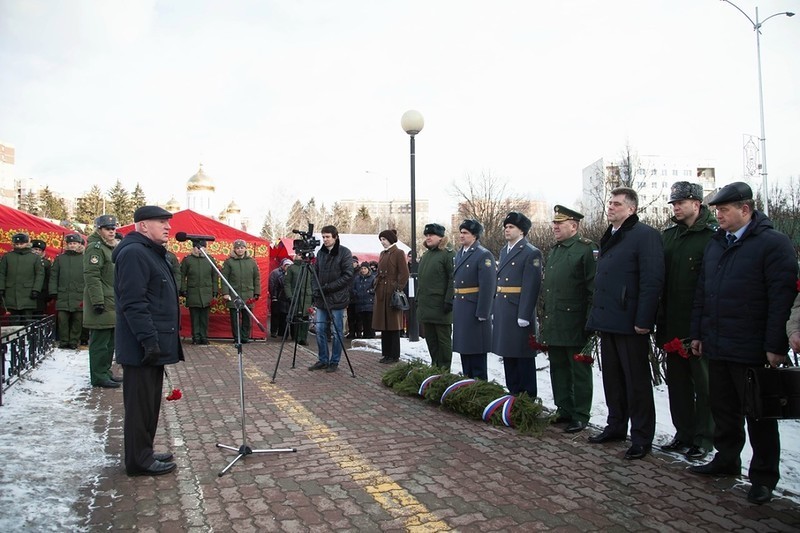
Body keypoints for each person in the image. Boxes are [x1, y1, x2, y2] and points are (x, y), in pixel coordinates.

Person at [689, 182, 797, 505]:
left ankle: (763, 477)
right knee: (723, 408)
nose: (718, 216)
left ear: (745, 210)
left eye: (724, 210)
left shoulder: (772, 244)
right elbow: (703, 294)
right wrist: (698, 333)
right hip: (719, 343)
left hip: (752, 348)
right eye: (717, 211)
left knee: (759, 416)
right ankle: (727, 458)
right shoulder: (716, 244)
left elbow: (782, 299)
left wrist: (775, 345)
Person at [585, 187, 664, 461]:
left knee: (636, 382)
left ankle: (642, 437)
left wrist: (644, 320)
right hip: (609, 320)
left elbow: (651, 281)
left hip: (631, 322)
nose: (610, 207)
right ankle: (616, 426)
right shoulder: (611, 236)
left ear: (631, 209)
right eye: (610, 203)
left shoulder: (645, 236)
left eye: (617, 204)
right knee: (613, 379)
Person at [113, 205, 183, 476]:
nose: (167, 227)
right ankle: (138, 461)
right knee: (140, 406)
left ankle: (144, 451)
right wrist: (148, 340)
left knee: (150, 404)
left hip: (151, 345)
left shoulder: (149, 252)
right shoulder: (134, 254)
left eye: (168, 222)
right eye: (161, 222)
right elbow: (134, 303)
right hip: (142, 346)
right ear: (142, 226)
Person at [655, 182, 716, 460]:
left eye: (681, 202)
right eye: (673, 203)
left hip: (698, 326)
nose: (676, 207)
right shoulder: (668, 236)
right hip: (672, 324)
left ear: (697, 203)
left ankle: (704, 438)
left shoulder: (712, 236)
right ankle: (684, 433)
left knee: (704, 386)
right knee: (677, 385)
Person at [540, 205, 597, 433]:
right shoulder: (555, 250)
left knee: (579, 372)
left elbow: (593, 289)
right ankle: (564, 408)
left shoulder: (587, 249)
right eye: (553, 223)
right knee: (558, 368)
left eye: (559, 224)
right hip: (555, 321)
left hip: (576, 323)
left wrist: (589, 322)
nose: (554, 227)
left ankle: (581, 414)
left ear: (573, 226)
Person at [492, 212, 543, 397]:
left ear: (522, 231)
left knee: (523, 355)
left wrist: (524, 313)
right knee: (508, 353)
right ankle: (513, 392)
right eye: (506, 227)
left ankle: (527, 396)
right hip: (504, 309)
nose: (507, 229)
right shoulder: (504, 250)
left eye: (511, 227)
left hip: (519, 308)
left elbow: (532, 285)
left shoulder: (531, 252)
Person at [452, 219, 496, 380]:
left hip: (474, 307)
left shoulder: (483, 254)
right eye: (461, 232)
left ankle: (478, 384)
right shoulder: (460, 253)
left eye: (465, 233)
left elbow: (488, 285)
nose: (461, 236)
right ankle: (467, 380)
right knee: (465, 348)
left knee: (476, 350)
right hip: (462, 306)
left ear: (475, 236)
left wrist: (484, 311)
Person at [309, 225, 353, 372]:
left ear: (335, 237)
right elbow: (315, 273)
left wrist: (329, 287)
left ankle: (334, 361)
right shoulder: (320, 254)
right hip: (321, 298)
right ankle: (323, 359)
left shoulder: (344, 252)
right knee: (320, 328)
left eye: (328, 237)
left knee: (336, 331)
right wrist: (316, 288)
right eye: (323, 237)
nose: (325, 240)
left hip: (337, 298)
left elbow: (347, 275)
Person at [84, 215, 121, 389]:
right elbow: (92, 276)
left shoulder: (111, 248)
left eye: (113, 228)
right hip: (101, 302)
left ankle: (105, 372)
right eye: (107, 228)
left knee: (110, 342)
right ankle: (98, 376)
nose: (112, 231)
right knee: (100, 342)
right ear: (99, 230)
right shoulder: (95, 248)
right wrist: (98, 301)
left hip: (112, 300)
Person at [417, 223, 455, 370]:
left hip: (441, 307)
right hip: (427, 306)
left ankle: (444, 370)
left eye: (431, 235)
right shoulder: (427, 255)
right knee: (431, 341)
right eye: (426, 235)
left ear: (441, 237)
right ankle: (435, 367)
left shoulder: (448, 253)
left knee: (443, 342)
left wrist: (449, 300)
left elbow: (453, 279)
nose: (428, 238)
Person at [372, 229, 409, 364]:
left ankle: (394, 355)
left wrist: (397, 288)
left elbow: (404, 273)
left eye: (384, 239)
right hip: (381, 292)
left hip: (392, 293)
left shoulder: (398, 253)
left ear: (391, 239)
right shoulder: (383, 253)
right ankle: (386, 353)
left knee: (392, 325)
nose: (382, 242)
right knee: (384, 324)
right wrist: (376, 283)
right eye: (381, 240)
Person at [49, 233, 85, 349]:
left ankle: (74, 341)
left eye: (75, 243)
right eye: (70, 243)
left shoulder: (84, 258)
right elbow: (54, 276)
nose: (72, 246)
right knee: (62, 319)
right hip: (63, 293)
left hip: (80, 294)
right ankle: (64, 341)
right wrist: (53, 291)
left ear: (80, 244)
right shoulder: (60, 259)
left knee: (78, 319)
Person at [221, 239, 260, 343]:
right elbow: (224, 278)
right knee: (235, 319)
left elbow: (256, 278)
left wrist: (257, 292)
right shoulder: (229, 262)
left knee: (247, 318)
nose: (240, 250)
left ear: (245, 249)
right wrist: (225, 293)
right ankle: (237, 337)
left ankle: (244, 337)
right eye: (237, 248)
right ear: (234, 249)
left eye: (242, 248)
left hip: (248, 294)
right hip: (234, 294)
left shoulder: (252, 262)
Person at [179, 240, 218, 345]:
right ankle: (196, 337)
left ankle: (204, 337)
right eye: (197, 247)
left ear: (206, 248)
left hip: (206, 292)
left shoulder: (210, 260)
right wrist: (183, 289)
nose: (199, 249)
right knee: (195, 316)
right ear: (193, 248)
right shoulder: (188, 260)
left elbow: (215, 277)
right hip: (193, 292)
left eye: (202, 247)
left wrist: (215, 292)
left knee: (205, 317)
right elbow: (182, 276)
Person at [0, 232, 45, 322]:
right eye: (16, 244)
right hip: (11, 293)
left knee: (27, 321)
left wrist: (36, 289)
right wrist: (1, 287)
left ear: (27, 243)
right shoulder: (7, 257)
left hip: (28, 294)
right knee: (13, 321)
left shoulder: (35, 258)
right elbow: (2, 273)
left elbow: (39, 275)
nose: (19, 246)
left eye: (21, 243)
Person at [283, 254, 313, 345]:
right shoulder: (291, 268)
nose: (301, 256)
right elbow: (287, 283)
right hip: (296, 296)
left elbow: (312, 281)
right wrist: (289, 296)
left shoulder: (309, 267)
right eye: (299, 255)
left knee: (306, 317)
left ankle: (303, 338)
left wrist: (313, 295)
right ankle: (297, 337)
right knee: (296, 317)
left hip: (307, 296)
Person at [351, 261, 376, 339]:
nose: (363, 270)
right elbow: (353, 288)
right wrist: (356, 293)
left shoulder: (373, 278)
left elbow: (376, 288)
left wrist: (370, 291)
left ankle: (370, 335)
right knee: (362, 321)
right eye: (362, 268)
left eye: (365, 268)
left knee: (369, 320)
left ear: (368, 269)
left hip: (370, 303)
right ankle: (365, 335)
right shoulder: (357, 278)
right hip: (360, 303)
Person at [268, 259, 292, 338]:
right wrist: (274, 296)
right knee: (275, 315)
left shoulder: (290, 273)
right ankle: (274, 331)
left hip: (286, 298)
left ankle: (282, 332)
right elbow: (272, 285)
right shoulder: (275, 273)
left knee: (283, 315)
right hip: (277, 297)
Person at [30, 239, 52, 315]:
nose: (37, 251)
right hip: (27, 292)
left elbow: (49, 279)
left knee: (38, 315)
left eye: (39, 250)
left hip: (41, 294)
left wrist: (49, 295)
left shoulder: (46, 263)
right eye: (35, 249)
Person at [346, 255, 360, 339]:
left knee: (358, 317)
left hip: (358, 297)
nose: (352, 264)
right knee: (350, 316)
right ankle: (351, 332)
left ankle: (358, 332)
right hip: (349, 297)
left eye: (354, 262)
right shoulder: (348, 271)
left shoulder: (359, 272)